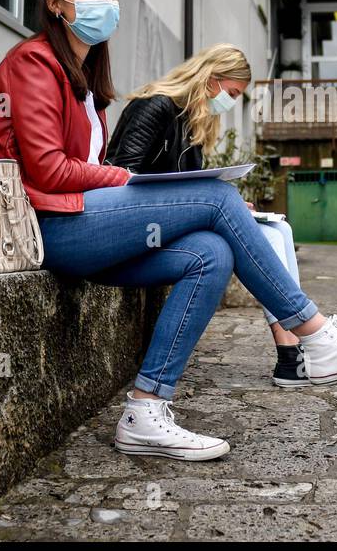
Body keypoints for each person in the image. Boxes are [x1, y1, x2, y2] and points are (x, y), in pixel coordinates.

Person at [0, 0, 337, 462]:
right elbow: (49, 171)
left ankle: (146, 410)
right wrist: (131, 179)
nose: (106, 4)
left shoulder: (84, 76)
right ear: (56, 5)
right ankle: (313, 335)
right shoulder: (34, 62)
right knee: (216, 196)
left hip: (85, 224)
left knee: (210, 252)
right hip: (49, 227)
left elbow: (83, 165)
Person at [105, 44, 311, 388]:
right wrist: (203, 202)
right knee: (269, 236)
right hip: (136, 222)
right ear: (211, 78)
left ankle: (294, 349)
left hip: (166, 220)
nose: (229, 102)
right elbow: (121, 175)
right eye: (231, 92)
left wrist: (226, 204)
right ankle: (293, 351)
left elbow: (190, 181)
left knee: (279, 229)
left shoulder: (193, 122)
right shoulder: (155, 106)